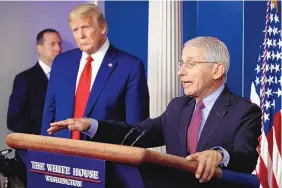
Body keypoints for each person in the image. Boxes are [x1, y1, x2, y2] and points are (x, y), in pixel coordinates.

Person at [47, 37, 261, 183]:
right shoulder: (178, 107)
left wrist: (218, 156)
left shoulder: (244, 111)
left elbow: (246, 157)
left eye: (190, 64)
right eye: (181, 63)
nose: (180, 72)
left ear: (217, 69)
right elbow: (135, 135)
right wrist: (90, 125)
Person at [40, 4, 149, 139]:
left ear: (103, 27)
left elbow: (135, 128)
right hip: (62, 155)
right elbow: (49, 114)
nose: (81, 35)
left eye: (85, 27)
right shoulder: (61, 62)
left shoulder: (130, 66)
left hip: (105, 156)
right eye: (75, 30)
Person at [7, 29, 62, 135]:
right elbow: (13, 121)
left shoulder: (67, 78)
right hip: (33, 147)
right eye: (52, 44)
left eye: (59, 44)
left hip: (61, 146)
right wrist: (44, 133)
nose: (58, 48)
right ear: (39, 48)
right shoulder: (24, 79)